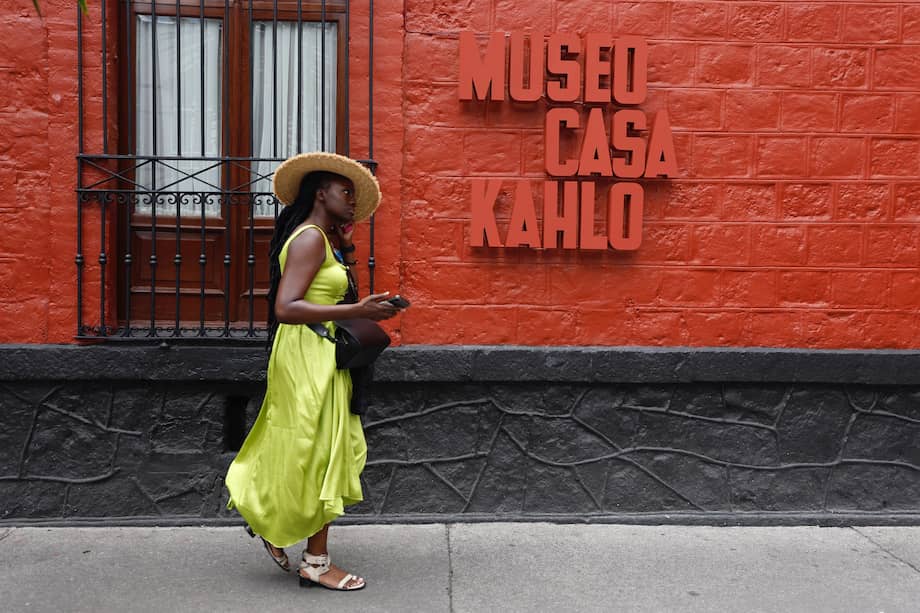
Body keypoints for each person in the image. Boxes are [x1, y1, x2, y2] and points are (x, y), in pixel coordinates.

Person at [225, 152, 400, 591]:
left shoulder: (326, 238)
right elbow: (285, 308)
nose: (352, 201)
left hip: (320, 353)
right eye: (346, 192)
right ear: (320, 193)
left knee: (325, 449)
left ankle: (284, 531)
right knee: (318, 450)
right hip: (305, 354)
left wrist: (361, 302)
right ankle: (313, 560)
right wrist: (357, 308)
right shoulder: (309, 239)